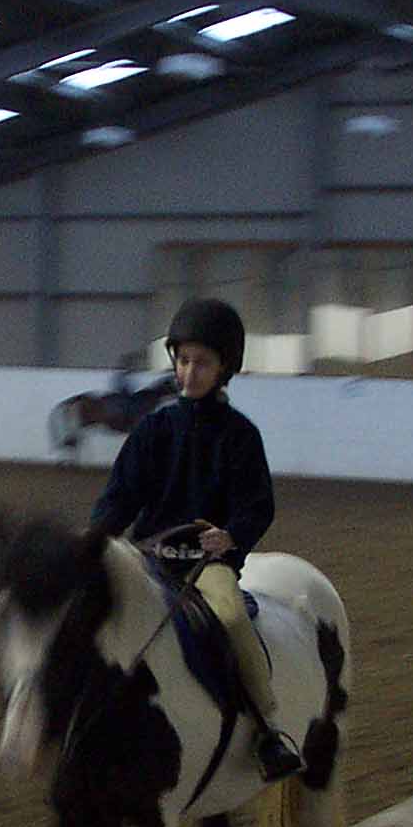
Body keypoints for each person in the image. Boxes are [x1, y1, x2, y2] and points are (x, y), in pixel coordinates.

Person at [92, 299, 301, 782]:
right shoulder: (152, 430)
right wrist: (95, 540)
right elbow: (120, 496)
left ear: (224, 368)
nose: (189, 372)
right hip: (150, 559)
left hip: (205, 565)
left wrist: (231, 536)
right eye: (183, 360)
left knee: (230, 615)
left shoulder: (241, 436)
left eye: (202, 363)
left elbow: (258, 505)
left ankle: (268, 727)